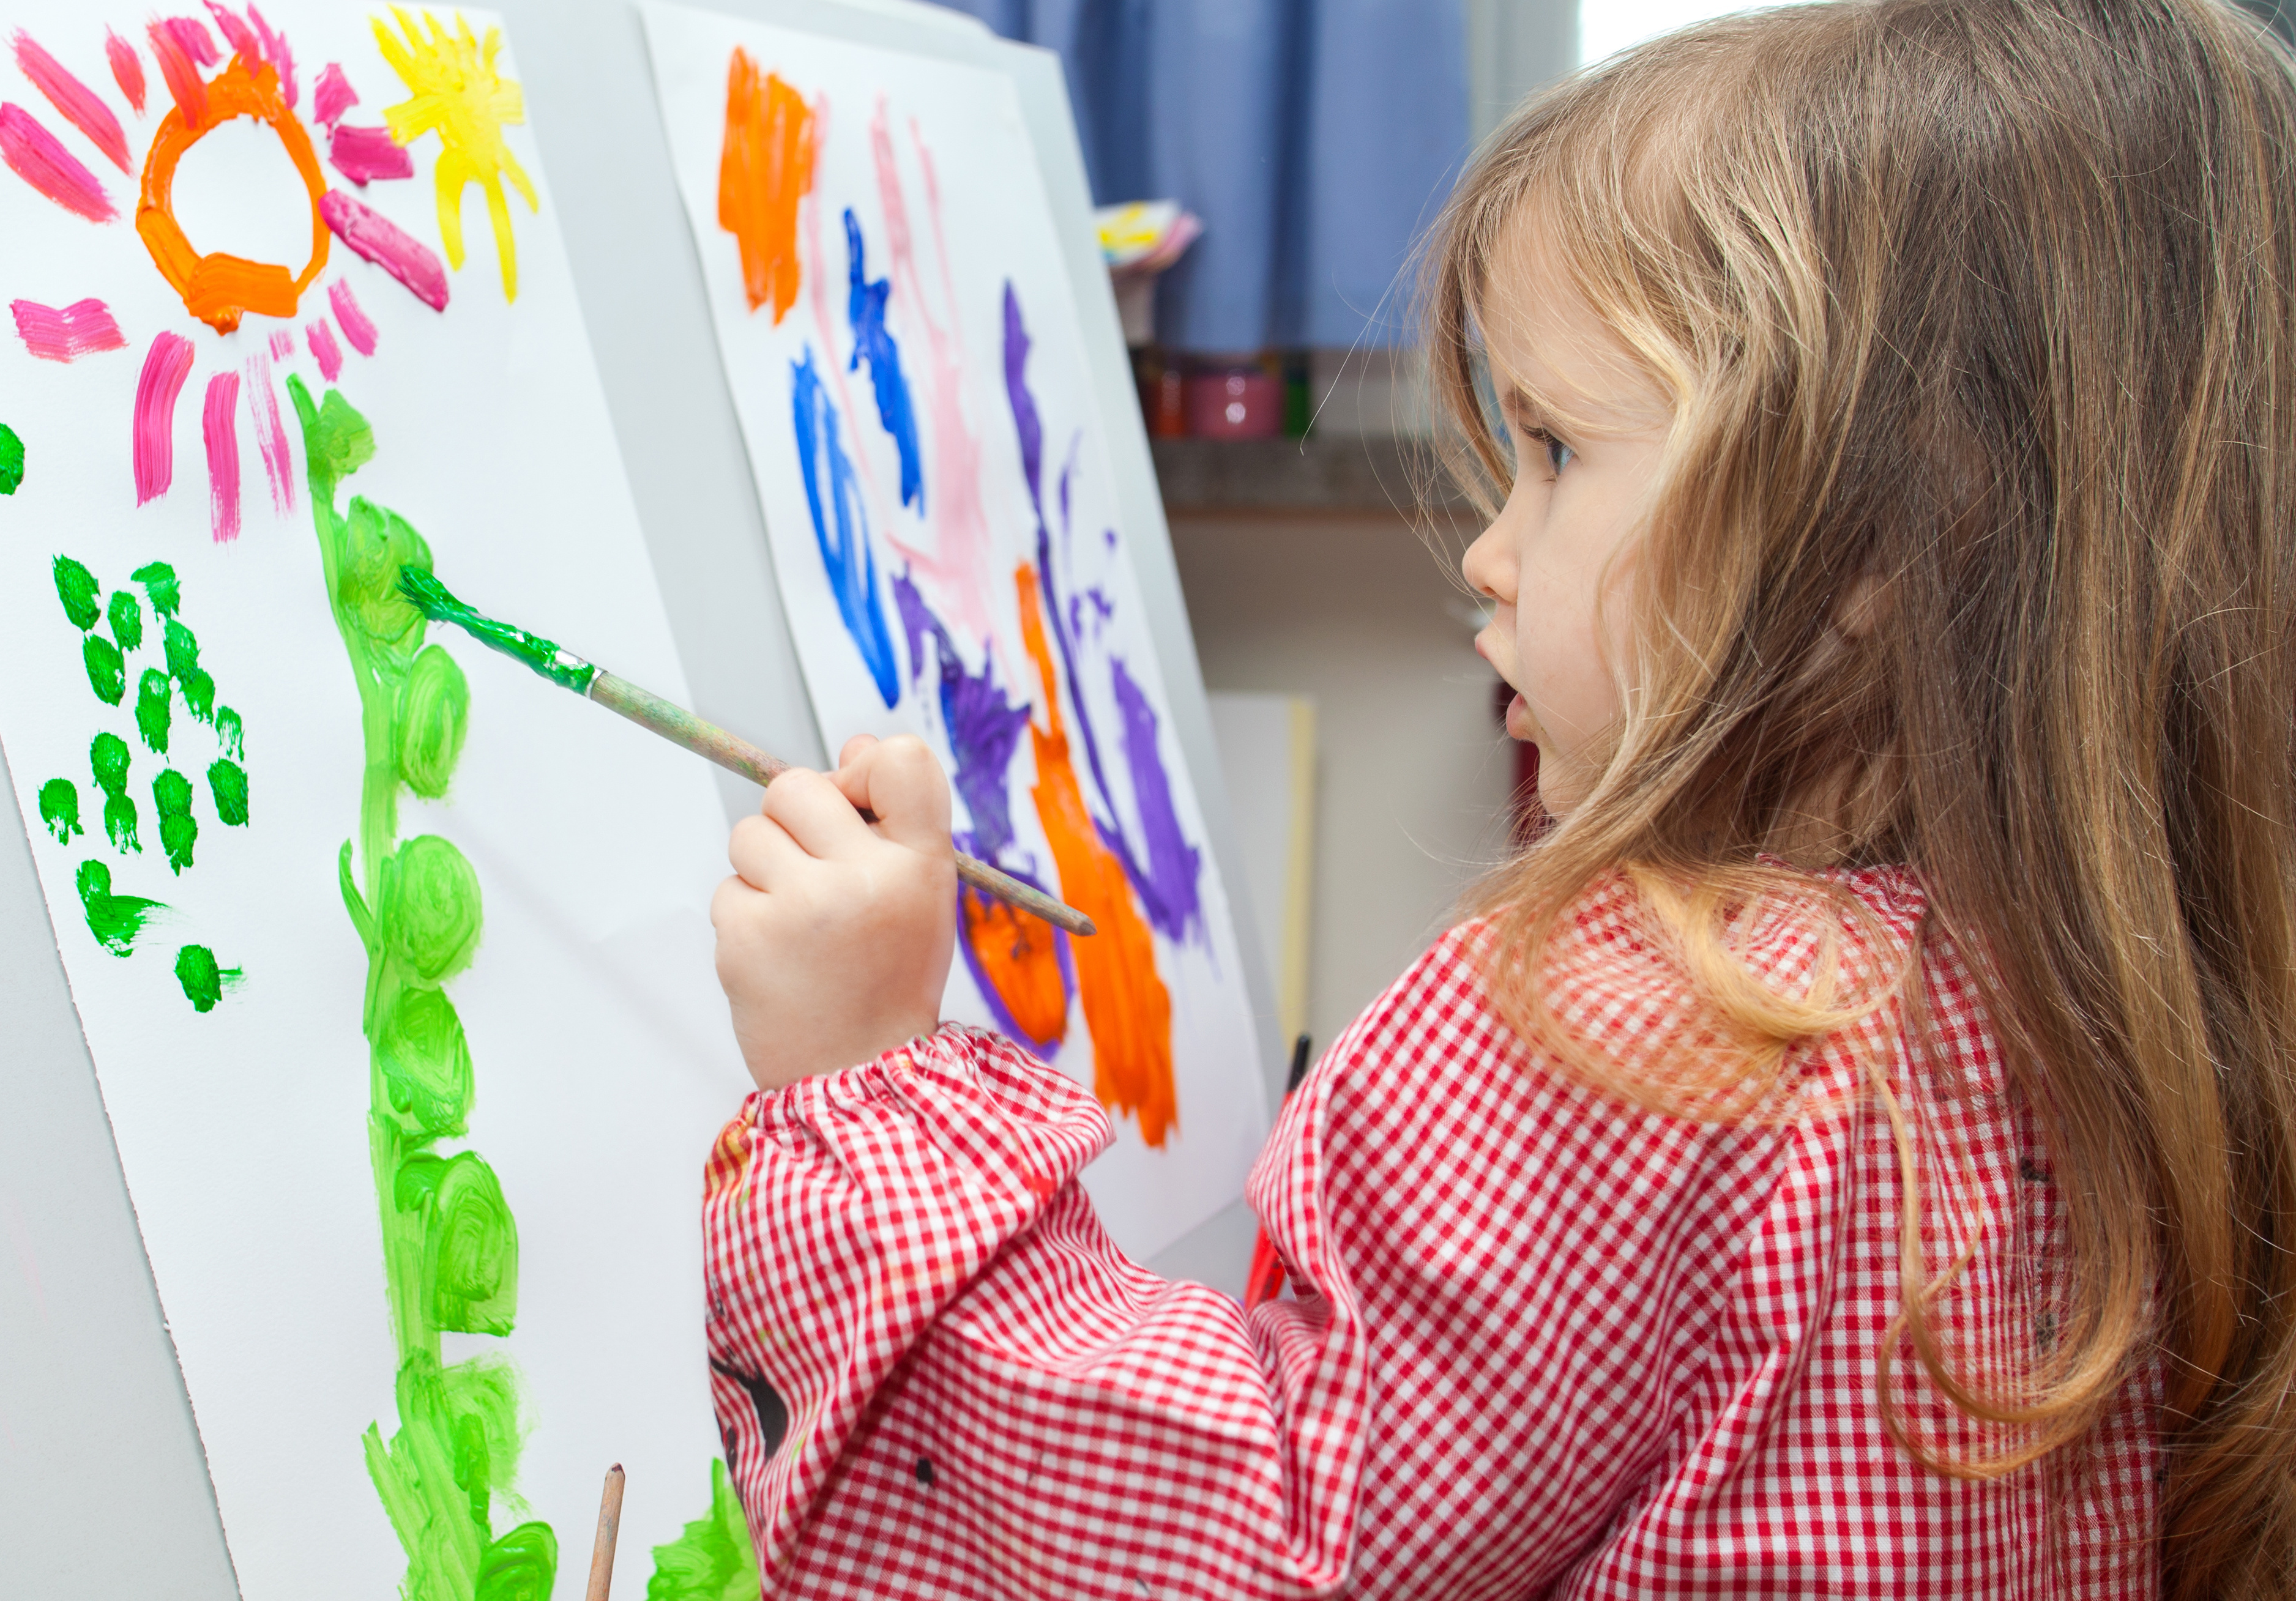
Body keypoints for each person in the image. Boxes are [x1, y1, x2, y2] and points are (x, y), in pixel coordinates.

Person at [701, 0, 2296, 1594]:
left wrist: (860, 1093)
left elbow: (1239, 1545)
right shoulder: (2089, 992)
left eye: (1551, 447)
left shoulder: (1652, 1030)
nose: (1487, 546)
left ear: (1885, 533)